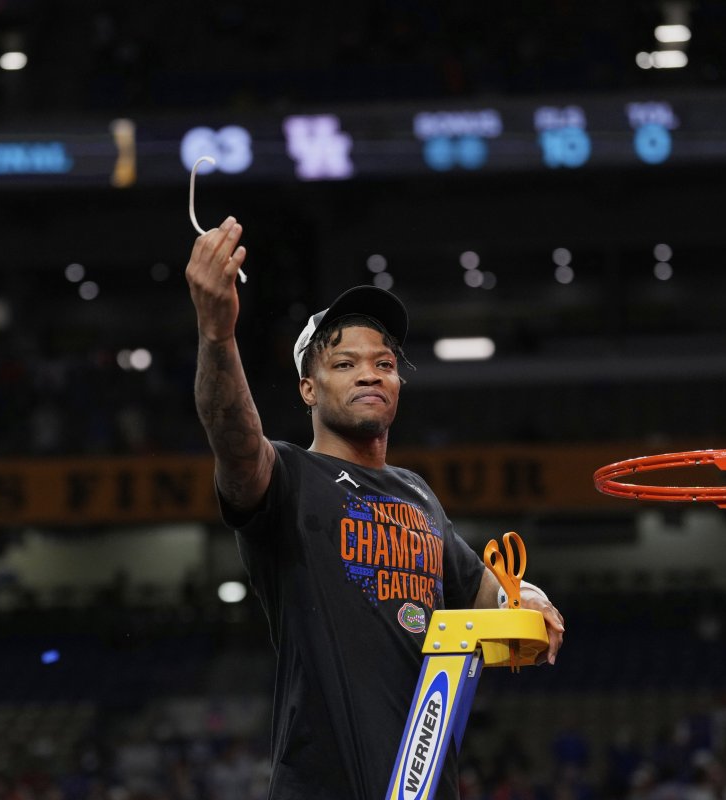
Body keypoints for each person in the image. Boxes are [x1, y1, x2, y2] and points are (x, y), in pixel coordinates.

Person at [185, 215, 566, 800]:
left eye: (384, 364)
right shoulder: (287, 476)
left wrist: (530, 598)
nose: (370, 374)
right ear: (308, 389)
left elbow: (485, 590)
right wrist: (218, 337)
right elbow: (232, 440)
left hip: (423, 785)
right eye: (345, 364)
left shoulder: (417, 494)